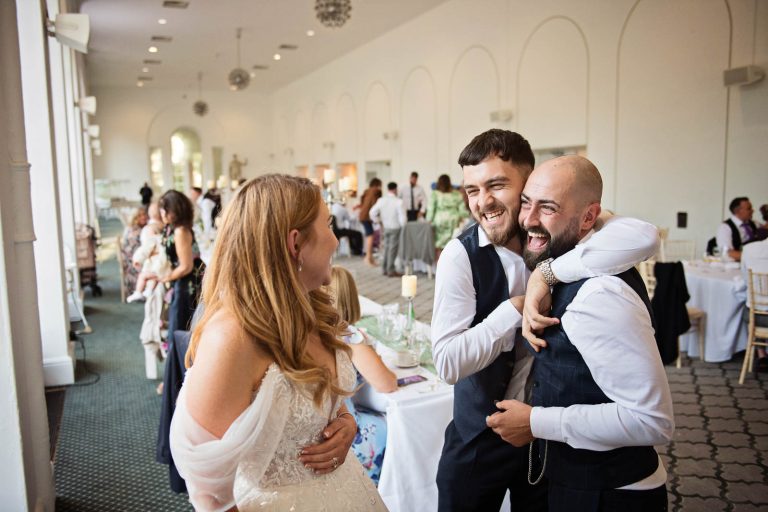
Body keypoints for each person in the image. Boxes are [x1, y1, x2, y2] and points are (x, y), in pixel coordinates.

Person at [431, 129, 659, 512]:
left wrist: (546, 274)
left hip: (549, 439)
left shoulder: (558, 231)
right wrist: (515, 308)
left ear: (529, 183)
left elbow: (643, 236)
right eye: (472, 190)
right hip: (479, 439)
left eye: (497, 185)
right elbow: (447, 363)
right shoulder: (460, 257)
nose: (483, 203)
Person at [169, 175, 386, 511]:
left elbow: (316, 400)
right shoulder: (233, 337)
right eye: (327, 225)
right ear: (295, 243)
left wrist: (344, 421)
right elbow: (208, 489)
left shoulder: (313, 306)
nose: (335, 240)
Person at [486, 155, 674, 511]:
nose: (528, 220)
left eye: (548, 208)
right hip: (581, 483)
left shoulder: (599, 295)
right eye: (527, 203)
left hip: (611, 494)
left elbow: (653, 421)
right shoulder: (577, 257)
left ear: (590, 217)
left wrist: (535, 422)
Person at [325, 266, 397, 484]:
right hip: (347, 431)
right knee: (395, 426)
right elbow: (387, 384)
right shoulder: (348, 335)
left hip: (321, 430)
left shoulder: (312, 331)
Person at [127, 203, 171, 303]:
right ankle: (147, 291)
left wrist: (138, 259)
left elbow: (145, 249)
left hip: (153, 263)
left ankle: (141, 291)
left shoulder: (149, 229)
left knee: (146, 275)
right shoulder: (164, 227)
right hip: (159, 263)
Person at [427, 174, 468, 260]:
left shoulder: (435, 193)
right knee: (452, 244)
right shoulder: (456, 194)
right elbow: (462, 209)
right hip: (453, 221)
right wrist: (464, 217)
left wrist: (429, 220)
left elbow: (431, 208)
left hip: (439, 221)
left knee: (439, 245)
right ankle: (450, 266)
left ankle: (440, 267)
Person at [741, 236, 768, 369]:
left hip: (756, 317)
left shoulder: (749, 249)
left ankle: (761, 354)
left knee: (752, 306)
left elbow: (746, 281)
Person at [370, 182, 406, 277]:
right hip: (395, 228)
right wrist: (403, 226)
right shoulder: (398, 201)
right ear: (395, 189)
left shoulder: (381, 200)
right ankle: (390, 270)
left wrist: (378, 221)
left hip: (385, 227)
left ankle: (384, 269)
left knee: (386, 248)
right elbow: (403, 218)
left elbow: (372, 212)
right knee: (392, 249)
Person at [713, 196, 756, 261]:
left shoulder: (754, 224)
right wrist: (755, 257)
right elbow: (728, 253)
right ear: (738, 211)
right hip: (736, 266)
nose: (753, 211)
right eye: (749, 208)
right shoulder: (725, 228)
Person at [120, 208, 148, 297]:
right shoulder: (134, 231)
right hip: (131, 260)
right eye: (140, 216)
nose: (144, 217)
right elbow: (138, 250)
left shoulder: (141, 228)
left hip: (133, 256)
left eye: (144, 214)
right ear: (135, 218)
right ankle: (142, 291)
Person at [358, 178, 383, 266]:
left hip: (362, 215)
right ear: (377, 185)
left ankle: (370, 258)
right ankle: (368, 257)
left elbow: (362, 202)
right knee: (370, 236)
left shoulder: (366, 191)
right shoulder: (376, 191)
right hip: (368, 216)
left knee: (369, 235)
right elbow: (376, 205)